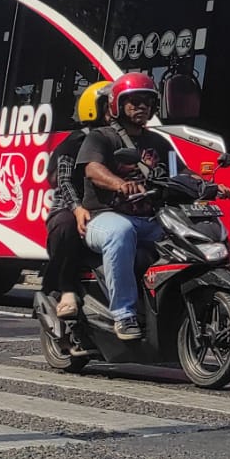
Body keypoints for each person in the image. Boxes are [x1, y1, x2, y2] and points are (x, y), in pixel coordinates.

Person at [77, 72, 175, 341]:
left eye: (147, 101)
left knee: (187, 235)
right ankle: (124, 314)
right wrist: (119, 183)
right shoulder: (101, 137)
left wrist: (209, 186)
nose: (141, 106)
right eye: (133, 101)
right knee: (120, 232)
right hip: (104, 218)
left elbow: (180, 172)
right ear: (117, 105)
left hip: (150, 219)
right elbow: (93, 169)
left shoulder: (160, 142)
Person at [41, 80, 112, 319]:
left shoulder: (124, 140)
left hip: (109, 208)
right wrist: (77, 207)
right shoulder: (76, 142)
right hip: (74, 208)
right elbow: (63, 180)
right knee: (66, 226)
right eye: (110, 104)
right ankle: (66, 289)